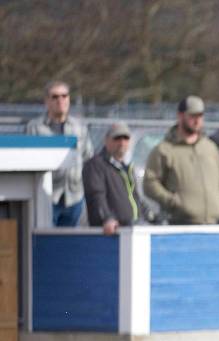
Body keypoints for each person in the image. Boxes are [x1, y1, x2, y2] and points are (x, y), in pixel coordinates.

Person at [143, 95, 219, 225]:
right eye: (193, 116)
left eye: (200, 116)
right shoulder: (165, 150)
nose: (197, 120)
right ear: (180, 116)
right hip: (181, 224)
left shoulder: (209, 147)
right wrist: (173, 202)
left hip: (213, 223)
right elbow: (150, 183)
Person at [25, 80, 93, 227]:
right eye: (55, 97)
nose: (60, 100)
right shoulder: (35, 128)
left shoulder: (79, 127)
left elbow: (88, 157)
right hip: (46, 197)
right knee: (44, 243)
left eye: (64, 96)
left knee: (68, 245)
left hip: (74, 197)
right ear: (46, 101)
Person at [82, 122, 147, 234]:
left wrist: (151, 216)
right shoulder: (95, 165)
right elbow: (96, 196)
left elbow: (136, 198)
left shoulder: (127, 167)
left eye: (125, 138)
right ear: (106, 141)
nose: (122, 142)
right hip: (112, 234)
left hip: (133, 230)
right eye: (117, 138)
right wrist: (107, 218)